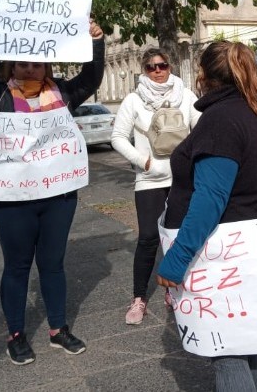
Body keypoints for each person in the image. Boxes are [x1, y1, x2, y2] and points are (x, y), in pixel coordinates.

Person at [0, 17, 105, 366]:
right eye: (22, 63)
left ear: (45, 63)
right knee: (17, 266)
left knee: (53, 264)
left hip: (57, 196)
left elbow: (92, 77)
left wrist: (96, 41)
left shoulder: (62, 93)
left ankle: (58, 329)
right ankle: (16, 334)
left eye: (36, 63)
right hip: (11, 199)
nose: (30, 69)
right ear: (11, 66)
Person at [156, 40, 257, 392]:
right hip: (246, 246)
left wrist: (177, 259)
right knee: (248, 341)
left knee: (228, 354)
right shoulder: (253, 112)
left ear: (204, 73)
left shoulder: (222, 119)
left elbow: (211, 197)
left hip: (223, 255)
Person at [110, 48, 200, 325]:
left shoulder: (185, 96)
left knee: (177, 236)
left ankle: (174, 290)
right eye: (151, 67)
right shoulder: (134, 100)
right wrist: (142, 161)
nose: (158, 71)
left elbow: (201, 126)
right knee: (148, 238)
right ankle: (139, 298)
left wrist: (194, 159)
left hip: (181, 179)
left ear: (170, 66)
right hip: (149, 179)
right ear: (144, 70)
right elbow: (118, 137)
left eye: (162, 65)